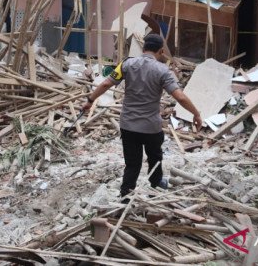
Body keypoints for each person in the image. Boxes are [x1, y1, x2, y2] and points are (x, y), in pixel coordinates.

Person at [83, 33, 203, 199]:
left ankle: (126, 195)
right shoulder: (163, 70)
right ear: (161, 51)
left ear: (144, 48)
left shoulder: (127, 64)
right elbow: (180, 97)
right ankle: (155, 185)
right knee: (155, 157)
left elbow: (105, 83)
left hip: (128, 125)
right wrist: (196, 114)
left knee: (132, 163)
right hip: (151, 127)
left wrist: (90, 100)